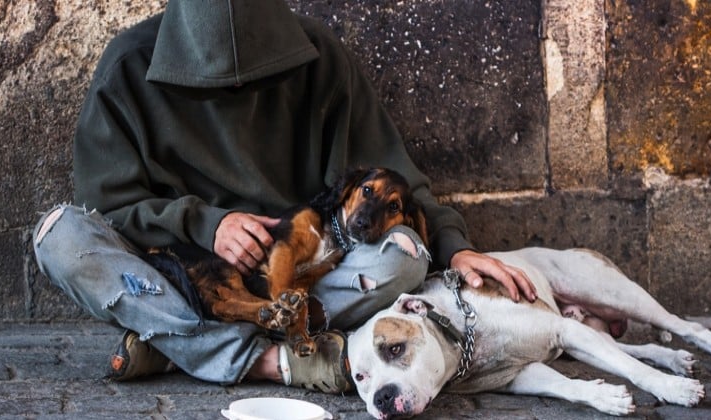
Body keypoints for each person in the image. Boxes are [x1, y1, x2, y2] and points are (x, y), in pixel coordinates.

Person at [32, 0, 536, 392]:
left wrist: (454, 246)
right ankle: (280, 362)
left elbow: (394, 177)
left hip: (300, 278)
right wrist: (206, 224)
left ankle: (172, 344)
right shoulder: (127, 65)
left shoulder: (318, 56)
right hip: (178, 275)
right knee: (58, 237)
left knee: (403, 260)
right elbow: (110, 208)